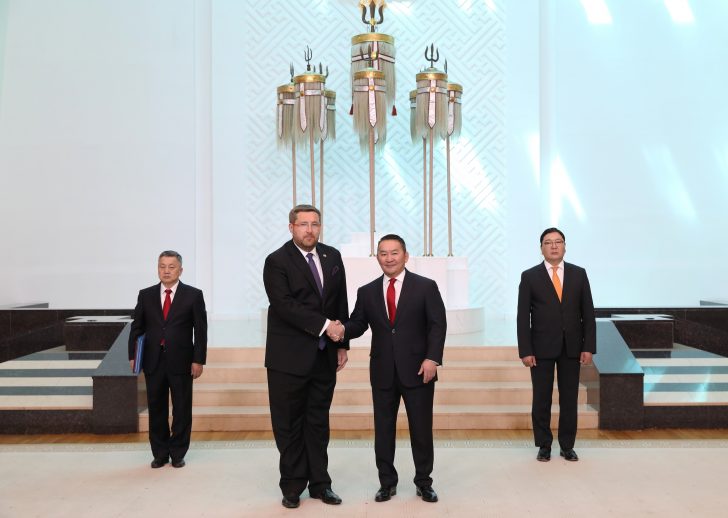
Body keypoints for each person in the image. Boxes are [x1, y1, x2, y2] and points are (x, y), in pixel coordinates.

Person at [342, 234, 446, 504]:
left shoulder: (425, 287)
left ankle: (424, 482)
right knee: (383, 430)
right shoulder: (367, 291)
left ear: (405, 256)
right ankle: (386, 483)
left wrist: (432, 359)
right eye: (383, 253)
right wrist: (339, 330)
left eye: (394, 253)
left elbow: (437, 325)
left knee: (421, 429)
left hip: (419, 369)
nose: (389, 258)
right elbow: (357, 324)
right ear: (377, 257)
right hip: (383, 371)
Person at [263, 204, 350, 509]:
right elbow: (284, 305)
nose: (309, 230)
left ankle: (320, 484)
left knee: (318, 423)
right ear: (291, 227)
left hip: (323, 357)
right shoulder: (276, 261)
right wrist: (327, 326)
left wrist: (342, 344)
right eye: (303, 224)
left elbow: (340, 300)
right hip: (288, 359)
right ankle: (292, 486)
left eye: (315, 224)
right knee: (288, 425)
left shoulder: (332, 256)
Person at [517, 227, 596, 462]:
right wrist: (525, 350)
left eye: (558, 241)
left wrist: (588, 346)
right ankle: (544, 445)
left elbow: (588, 314)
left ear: (564, 246)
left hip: (572, 347)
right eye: (548, 242)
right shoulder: (529, 276)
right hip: (540, 348)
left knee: (569, 399)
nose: (553, 246)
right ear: (541, 248)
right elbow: (523, 317)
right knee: (541, 398)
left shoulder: (578, 274)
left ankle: (567, 445)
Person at [128, 250, 207, 469]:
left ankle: (178, 452)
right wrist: (133, 356)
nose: (166, 271)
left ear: (180, 270)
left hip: (182, 361)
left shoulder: (193, 295)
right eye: (162, 266)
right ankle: (160, 453)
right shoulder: (146, 295)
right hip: (153, 360)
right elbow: (137, 328)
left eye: (171, 267)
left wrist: (198, 359)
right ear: (157, 269)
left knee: (181, 409)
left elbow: (201, 331)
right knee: (156, 409)